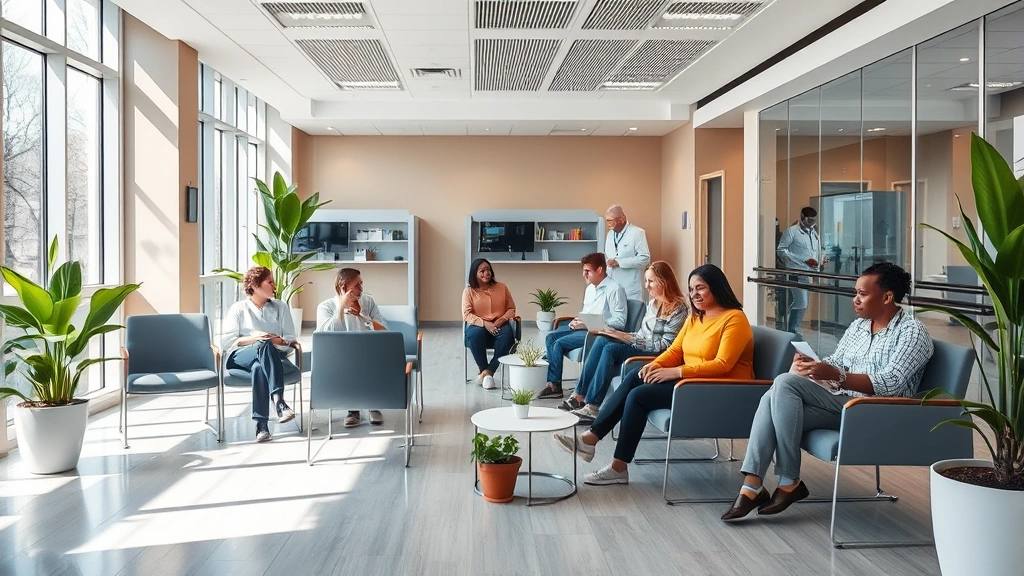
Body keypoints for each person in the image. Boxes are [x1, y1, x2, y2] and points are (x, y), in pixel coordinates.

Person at [721, 262, 933, 521]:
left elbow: (891, 383)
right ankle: (754, 485)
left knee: (784, 384)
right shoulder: (859, 327)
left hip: (876, 411)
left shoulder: (912, 332)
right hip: (844, 404)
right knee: (773, 398)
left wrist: (835, 375)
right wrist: (813, 366)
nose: (855, 300)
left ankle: (785, 481)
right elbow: (836, 362)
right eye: (855, 293)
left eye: (862, 294)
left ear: (887, 297)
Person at [553, 264, 753, 485]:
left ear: (716, 287)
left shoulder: (734, 319)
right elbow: (675, 350)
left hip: (718, 389)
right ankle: (591, 439)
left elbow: (722, 365)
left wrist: (675, 371)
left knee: (638, 396)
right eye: (691, 289)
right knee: (636, 376)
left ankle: (615, 465)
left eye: (700, 288)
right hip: (693, 382)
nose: (694, 294)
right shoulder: (697, 317)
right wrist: (655, 365)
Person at [559, 261, 689, 426]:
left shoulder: (679, 309)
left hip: (658, 354)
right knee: (602, 339)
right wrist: (620, 335)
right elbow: (642, 334)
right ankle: (579, 395)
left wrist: (629, 338)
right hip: (642, 345)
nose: (646, 286)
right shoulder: (653, 304)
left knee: (611, 349)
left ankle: (592, 407)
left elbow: (665, 345)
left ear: (664, 282)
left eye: (651, 281)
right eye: (646, 281)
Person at [222, 266, 298, 443]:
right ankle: (279, 401)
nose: (274, 285)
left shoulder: (280, 307)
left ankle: (262, 425)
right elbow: (227, 342)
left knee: (259, 367)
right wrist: (255, 338)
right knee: (263, 344)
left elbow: (290, 338)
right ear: (255, 285)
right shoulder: (238, 308)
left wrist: (273, 340)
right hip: (240, 356)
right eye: (270, 282)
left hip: (271, 356)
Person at [537, 253, 627, 400]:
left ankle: (555, 385)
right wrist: (576, 320)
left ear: (599, 270)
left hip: (598, 333)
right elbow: (586, 312)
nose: (584, 274)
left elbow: (620, 321)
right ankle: (553, 384)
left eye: (587, 271)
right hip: (584, 328)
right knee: (550, 337)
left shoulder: (615, 289)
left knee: (558, 343)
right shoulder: (590, 289)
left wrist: (589, 324)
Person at [316, 267, 390, 428]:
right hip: (340, 356)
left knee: (367, 358)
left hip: (367, 353)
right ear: (343, 288)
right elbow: (323, 335)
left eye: (361, 283)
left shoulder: (368, 302)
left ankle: (373, 404)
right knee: (349, 360)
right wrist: (340, 310)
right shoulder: (325, 307)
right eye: (357, 285)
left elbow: (384, 329)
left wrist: (362, 316)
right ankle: (353, 409)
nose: (361, 288)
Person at [462, 258, 517, 390]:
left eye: (488, 270)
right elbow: (467, 314)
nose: (486, 273)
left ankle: (488, 372)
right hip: (479, 324)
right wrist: (485, 324)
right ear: (474, 274)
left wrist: (501, 320)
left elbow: (511, 309)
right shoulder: (469, 292)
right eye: (482, 271)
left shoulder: (502, 287)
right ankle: (484, 369)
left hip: (501, 323)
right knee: (474, 335)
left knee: (507, 338)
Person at [777, 206, 822, 340]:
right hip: (795, 272)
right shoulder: (792, 231)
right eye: (809, 220)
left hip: (809, 273)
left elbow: (814, 251)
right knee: (801, 302)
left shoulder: (814, 233)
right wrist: (803, 260)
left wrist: (820, 260)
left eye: (813, 220)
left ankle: (794, 331)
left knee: (803, 303)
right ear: (802, 218)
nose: (811, 223)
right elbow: (781, 250)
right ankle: (793, 332)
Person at [603, 205, 651, 301]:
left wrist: (619, 262)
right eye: (607, 221)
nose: (608, 224)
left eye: (610, 220)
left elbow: (645, 258)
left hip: (630, 289)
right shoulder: (610, 234)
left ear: (621, 219)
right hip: (612, 288)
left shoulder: (637, 233)